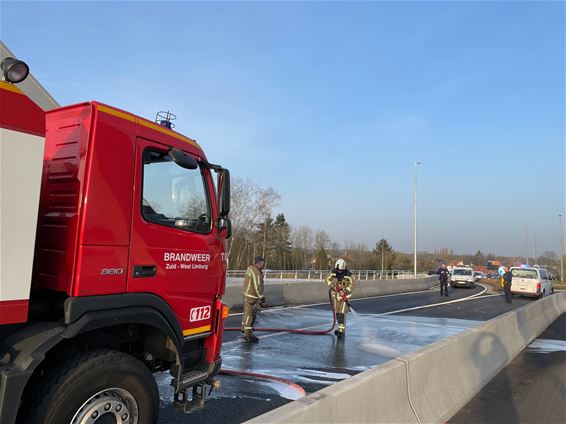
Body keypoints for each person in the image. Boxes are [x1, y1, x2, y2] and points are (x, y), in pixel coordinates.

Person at [326, 259, 355, 338]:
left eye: (340, 271)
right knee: (337, 314)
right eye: (337, 270)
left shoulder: (348, 274)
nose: (338, 272)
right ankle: (339, 329)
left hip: (344, 298)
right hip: (336, 297)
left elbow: (353, 284)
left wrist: (345, 290)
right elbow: (327, 280)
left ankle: (341, 332)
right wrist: (332, 286)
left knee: (342, 314)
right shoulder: (333, 272)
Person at [240, 256, 265, 342]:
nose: (263, 265)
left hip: (247, 294)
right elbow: (257, 286)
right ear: (260, 263)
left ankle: (244, 328)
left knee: (247, 313)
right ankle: (248, 334)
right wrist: (261, 297)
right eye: (262, 263)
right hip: (252, 296)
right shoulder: (256, 273)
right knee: (250, 314)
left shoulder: (250, 269)